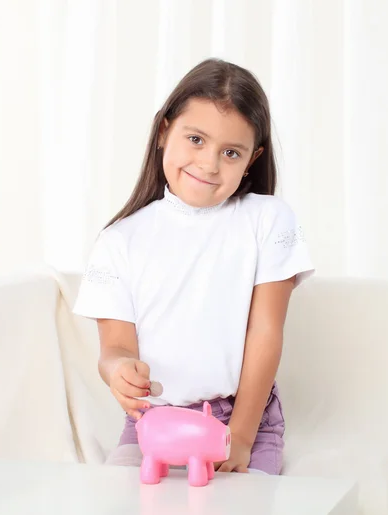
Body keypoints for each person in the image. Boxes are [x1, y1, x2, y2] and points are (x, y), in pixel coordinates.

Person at [73, 58, 314, 475]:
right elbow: (115, 348)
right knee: (115, 497)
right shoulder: (120, 240)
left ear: (252, 158)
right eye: (196, 139)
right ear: (165, 130)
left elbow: (266, 331)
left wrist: (238, 437)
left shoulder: (268, 220)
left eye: (231, 152)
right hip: (153, 425)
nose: (209, 164)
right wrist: (119, 371)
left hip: (244, 420)